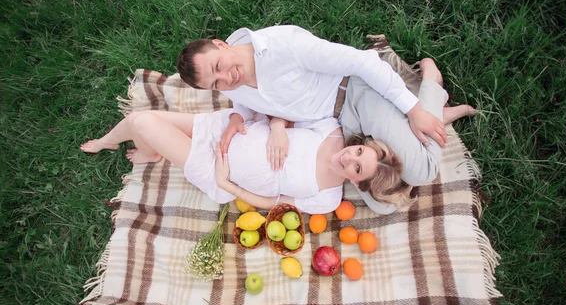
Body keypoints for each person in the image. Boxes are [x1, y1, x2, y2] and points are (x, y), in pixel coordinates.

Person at [176, 28, 472, 212]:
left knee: (421, 171)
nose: (226, 78)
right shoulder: (234, 82)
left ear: (220, 44)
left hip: (355, 92)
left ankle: (430, 92)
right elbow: (247, 101)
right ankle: (428, 119)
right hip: (339, 122)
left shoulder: (283, 45)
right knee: (379, 200)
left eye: (218, 66)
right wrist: (239, 118)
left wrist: (413, 110)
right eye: (215, 84)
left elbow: (362, 62)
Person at [80, 108, 411, 215]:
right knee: (142, 118)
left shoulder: (327, 198)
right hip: (228, 129)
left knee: (142, 122)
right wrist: (279, 129)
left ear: (357, 182)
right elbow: (281, 110)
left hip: (217, 168)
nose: (348, 157)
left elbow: (272, 202)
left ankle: (131, 145)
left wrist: (226, 185)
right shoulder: (333, 131)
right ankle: (137, 148)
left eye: (356, 167)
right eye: (358, 152)